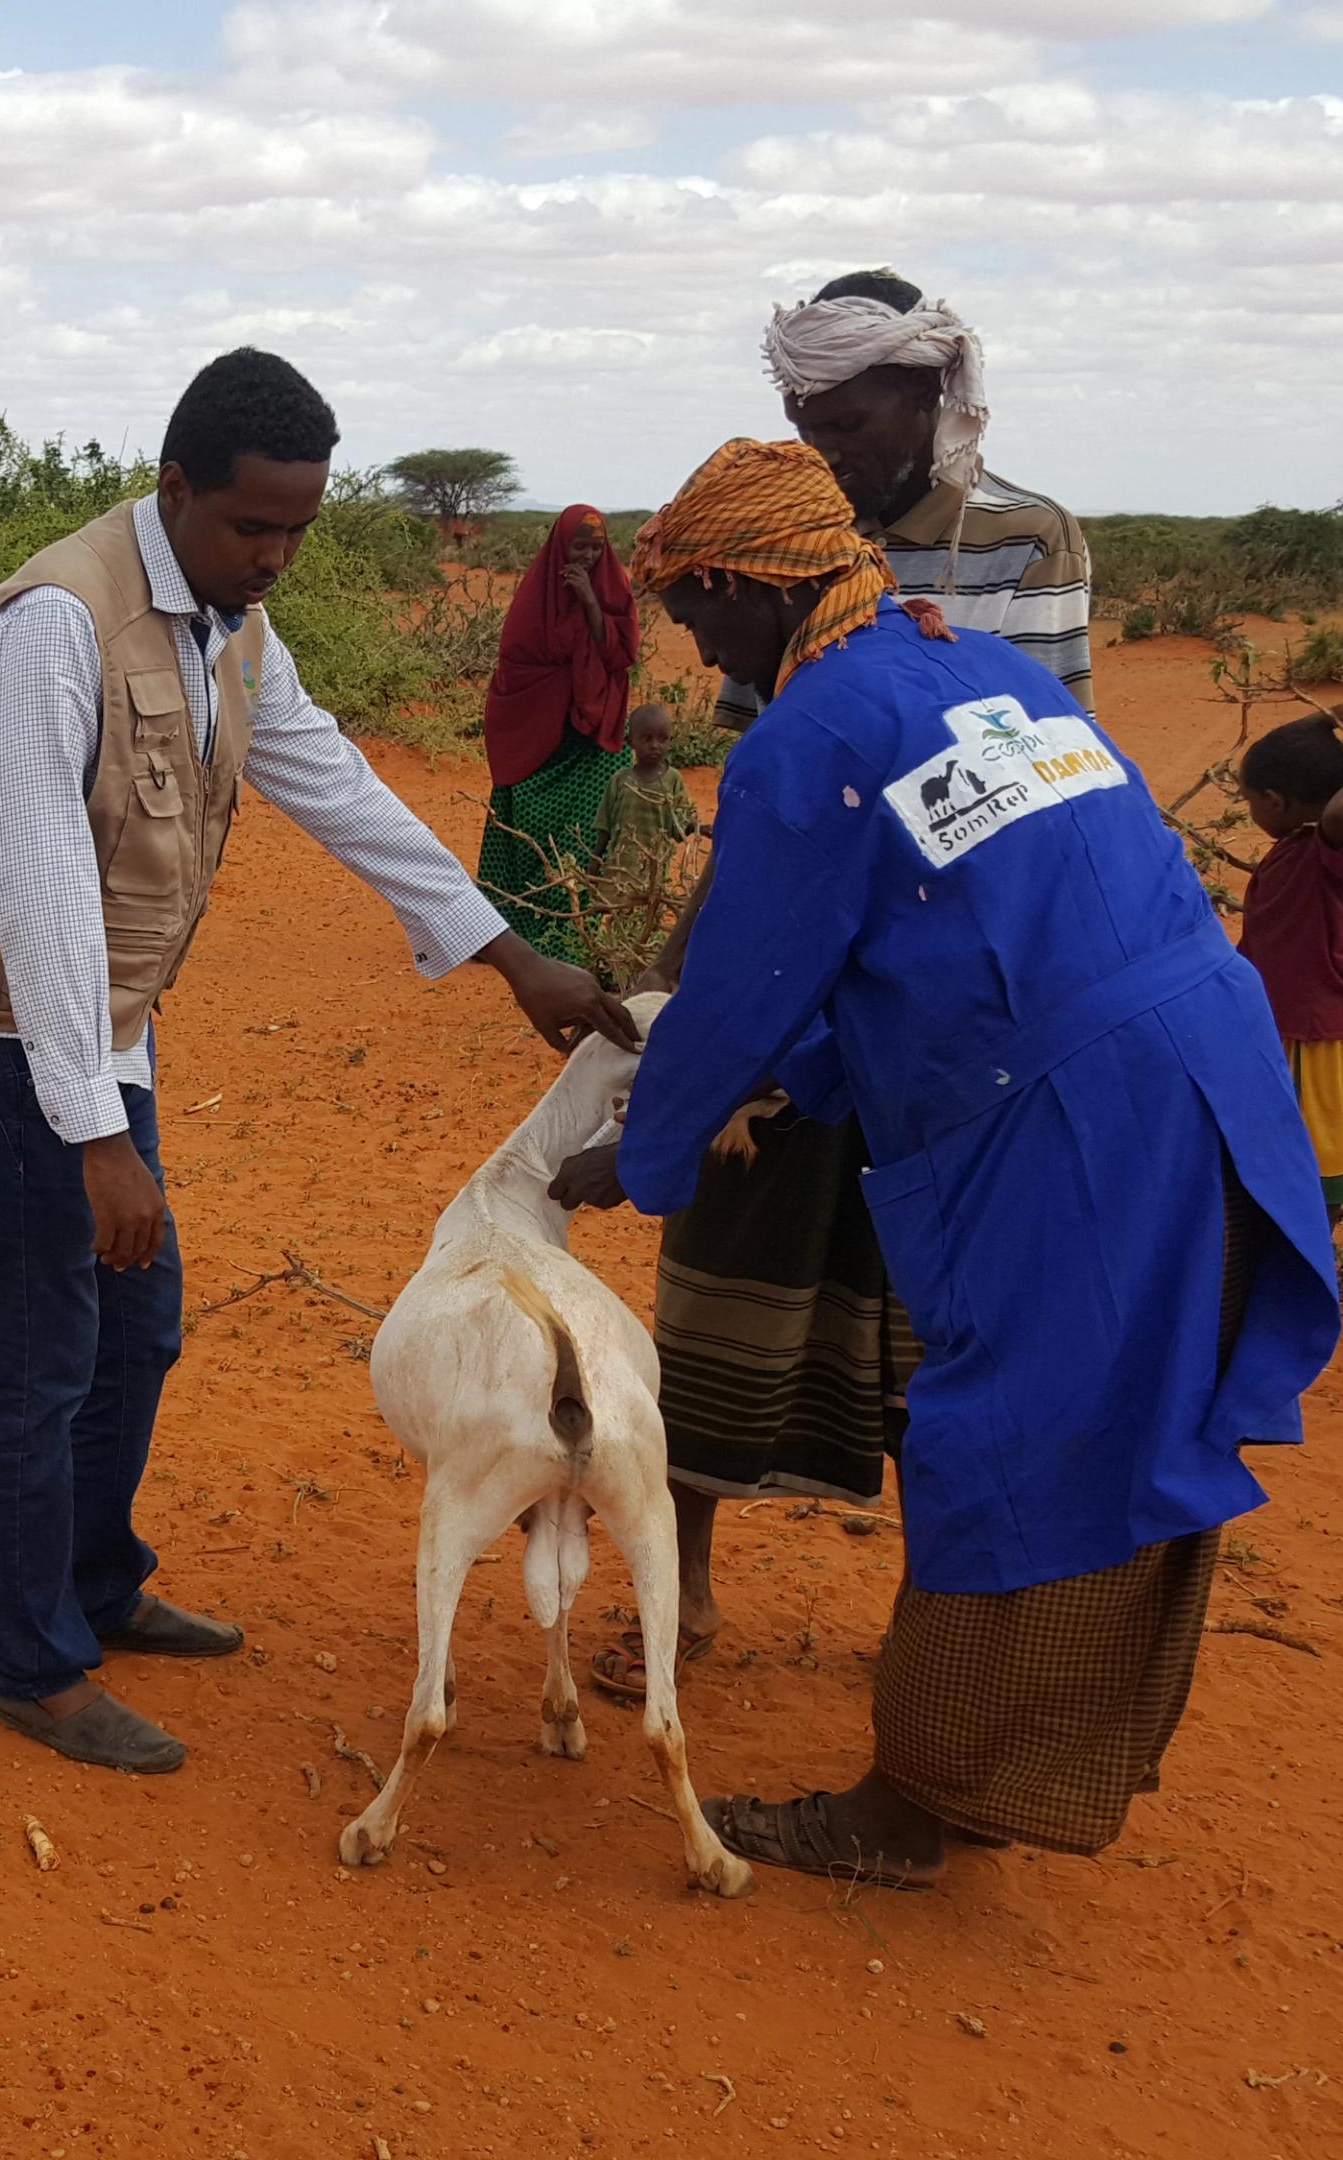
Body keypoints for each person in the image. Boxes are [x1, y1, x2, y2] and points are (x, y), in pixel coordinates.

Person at [584, 437, 1338, 1886]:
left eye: (694, 613)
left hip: (1083, 1122)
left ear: (746, 586)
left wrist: (649, 1154)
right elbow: (911, 944)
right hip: (1206, 1073)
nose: (697, 648)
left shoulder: (809, 739)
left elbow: (748, 987)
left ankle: (913, 1808)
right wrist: (778, 1091)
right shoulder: (985, 677)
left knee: (1010, 1437)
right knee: (1110, 1416)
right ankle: (1017, 1758)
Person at [0, 348, 639, 1775]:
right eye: (252, 527)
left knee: (136, 1323)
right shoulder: (56, 627)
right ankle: (31, 1665)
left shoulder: (229, 622)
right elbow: (38, 891)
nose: (277, 556)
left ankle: (95, 1585)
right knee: (44, 1351)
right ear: (177, 492)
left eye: (300, 528)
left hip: (102, 1025)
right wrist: (96, 1135)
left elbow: (327, 775)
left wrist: (504, 950)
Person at [586, 267, 1098, 1710]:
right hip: (806, 965)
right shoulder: (770, 541)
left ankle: (934, 1649)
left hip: (942, 998)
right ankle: (680, 1597)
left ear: (929, 394)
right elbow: (768, 801)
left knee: (938, 1331)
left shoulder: (1020, 539)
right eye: (801, 414)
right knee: (716, 1283)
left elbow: (1026, 768)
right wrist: (693, 1014)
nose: (827, 443)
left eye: (847, 413)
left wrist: (652, 1125)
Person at [1236, 714, 1343, 1214]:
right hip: (1289, 1019)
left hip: (1315, 1026)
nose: (1250, 810)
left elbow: (1339, 819)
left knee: (1316, 1146)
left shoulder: (1332, 850)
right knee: (1285, 1131)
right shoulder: (1296, 847)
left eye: (1250, 800)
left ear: (1275, 801)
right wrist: (1329, 717)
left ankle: (1314, 1230)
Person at [474, 505, 642, 964]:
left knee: (591, 827)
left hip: (594, 731)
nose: (587, 555)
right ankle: (511, 929)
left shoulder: (613, 587)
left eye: (596, 546)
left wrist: (590, 602)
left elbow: (623, 653)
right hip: (540, 727)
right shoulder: (536, 593)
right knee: (528, 819)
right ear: (560, 545)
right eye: (579, 545)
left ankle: (572, 929)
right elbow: (518, 660)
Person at [589, 702, 700, 899]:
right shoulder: (621, 780)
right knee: (616, 917)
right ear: (630, 742)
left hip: (654, 871)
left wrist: (698, 827)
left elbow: (679, 825)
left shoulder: (673, 779)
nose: (655, 746)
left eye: (662, 739)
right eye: (646, 739)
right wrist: (595, 864)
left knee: (647, 917)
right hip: (619, 869)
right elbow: (605, 826)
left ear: (671, 741)